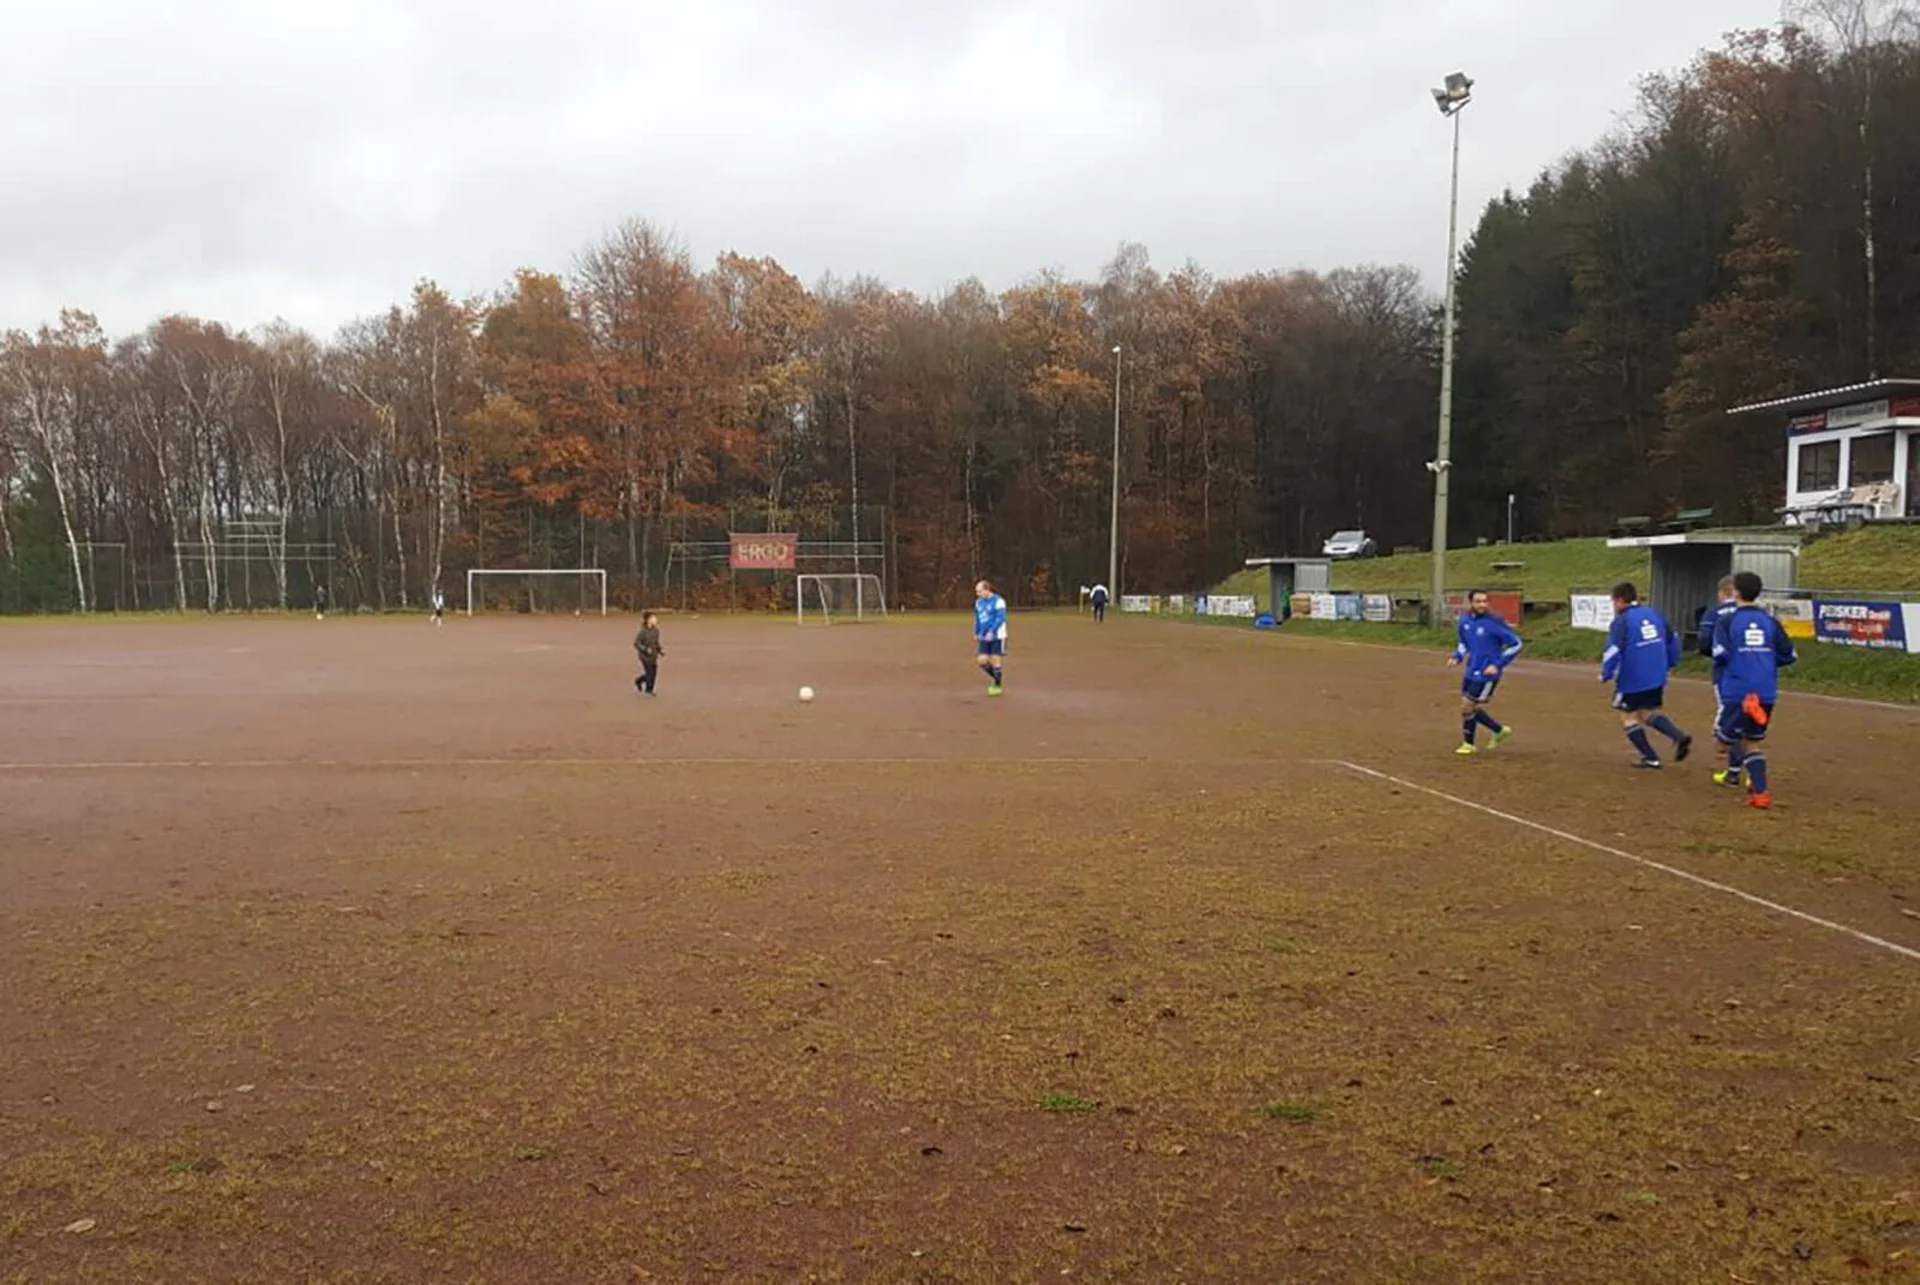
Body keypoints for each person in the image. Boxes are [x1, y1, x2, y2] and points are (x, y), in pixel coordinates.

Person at [1711, 571, 1796, 810]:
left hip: (1738, 688)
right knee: (1752, 743)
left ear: (1735, 592)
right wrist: (1765, 660)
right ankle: (1761, 793)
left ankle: (1746, 712)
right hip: (1766, 689)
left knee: (1721, 744)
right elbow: (1789, 655)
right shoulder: (1771, 622)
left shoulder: (1727, 621)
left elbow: (1719, 653)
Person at [1599, 581, 1691, 769]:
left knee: (1627, 716)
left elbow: (1613, 650)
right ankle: (1678, 736)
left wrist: (1606, 673)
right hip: (1657, 675)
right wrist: (1671, 662)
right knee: (1646, 712)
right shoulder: (1654, 613)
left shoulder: (1622, 621)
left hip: (1632, 678)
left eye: (1614, 602)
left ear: (1620, 600)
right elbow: (1673, 639)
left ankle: (1650, 757)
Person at [1447, 588, 1523, 756]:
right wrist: (1457, 657)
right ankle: (1499, 730)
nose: (1482, 605)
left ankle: (1469, 744)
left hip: (1487, 673)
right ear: (1470, 603)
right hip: (1471, 670)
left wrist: (1497, 664)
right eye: (1478, 601)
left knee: (1467, 706)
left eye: (1484, 601)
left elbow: (1516, 644)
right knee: (1469, 707)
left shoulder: (1494, 622)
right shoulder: (1465, 621)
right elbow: (1463, 643)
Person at [1698, 575, 1739, 761]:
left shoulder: (1714, 613)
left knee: (1725, 705)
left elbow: (1704, 643)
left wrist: (1714, 653)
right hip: (1751, 668)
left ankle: (1722, 738)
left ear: (1722, 592)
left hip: (1724, 668)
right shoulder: (1751, 612)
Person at [974, 579, 1008, 697]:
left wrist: (992, 631)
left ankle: (997, 685)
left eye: (979, 591)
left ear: (987, 590)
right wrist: (977, 631)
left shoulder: (999, 601)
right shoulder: (978, 602)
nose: (977, 594)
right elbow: (978, 618)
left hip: (997, 636)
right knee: (982, 660)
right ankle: (997, 678)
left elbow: (1001, 618)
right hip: (984, 636)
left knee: (995, 659)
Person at [633, 612, 664, 697]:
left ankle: (638, 681)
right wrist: (645, 649)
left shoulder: (656, 631)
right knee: (650, 673)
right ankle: (649, 690)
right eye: (653, 618)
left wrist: (660, 650)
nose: (656, 619)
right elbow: (636, 643)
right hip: (644, 656)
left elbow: (656, 643)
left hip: (653, 655)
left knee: (653, 673)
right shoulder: (642, 631)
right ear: (648, 620)